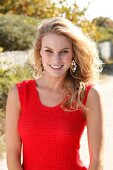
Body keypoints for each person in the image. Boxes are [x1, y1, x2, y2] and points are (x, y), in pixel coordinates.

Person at [5, 17, 104, 170]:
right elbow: (12, 155)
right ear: (40, 52)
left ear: (73, 54)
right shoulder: (19, 94)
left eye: (64, 52)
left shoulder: (88, 95)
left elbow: (97, 161)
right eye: (49, 51)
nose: (56, 59)